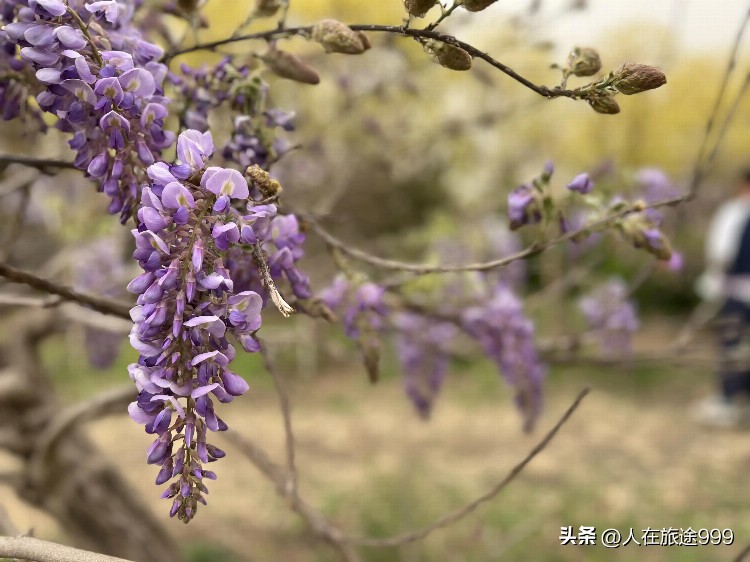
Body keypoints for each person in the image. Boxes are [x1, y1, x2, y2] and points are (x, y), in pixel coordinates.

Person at [694, 169, 750, 427]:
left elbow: (720, 252)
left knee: (733, 342)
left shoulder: (734, 212)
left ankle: (731, 401)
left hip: (737, 291)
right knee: (734, 343)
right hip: (738, 290)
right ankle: (731, 400)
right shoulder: (735, 213)